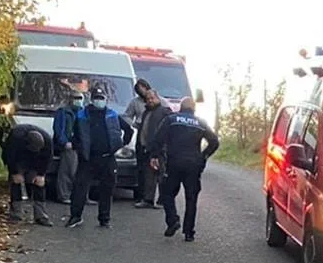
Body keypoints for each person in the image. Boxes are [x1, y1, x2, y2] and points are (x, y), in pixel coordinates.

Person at [149, 96, 219, 241]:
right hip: (193, 165)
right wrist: (203, 156)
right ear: (194, 109)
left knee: (167, 193)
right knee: (191, 198)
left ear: (181, 107)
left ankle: (173, 220)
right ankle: (189, 232)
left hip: (174, 163)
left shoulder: (171, 120)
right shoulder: (200, 123)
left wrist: (154, 156)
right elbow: (214, 142)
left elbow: (158, 138)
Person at [67, 88, 134, 228]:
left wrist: (121, 144)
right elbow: (74, 134)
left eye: (101, 98)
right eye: (97, 98)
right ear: (91, 99)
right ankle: (75, 216)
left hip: (107, 158)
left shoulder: (112, 115)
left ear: (106, 100)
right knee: (79, 188)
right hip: (87, 158)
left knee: (107, 190)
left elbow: (128, 130)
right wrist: (79, 147)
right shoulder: (82, 115)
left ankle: (104, 219)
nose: (99, 101)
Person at [126, 80, 171, 209]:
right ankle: (148, 200)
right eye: (148, 99)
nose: (150, 100)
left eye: (152, 98)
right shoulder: (146, 112)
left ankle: (162, 201)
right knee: (148, 176)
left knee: (161, 175)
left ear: (157, 98)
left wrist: (162, 148)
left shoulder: (164, 112)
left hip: (160, 150)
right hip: (146, 148)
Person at [4, 122, 53, 226]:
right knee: (16, 183)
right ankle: (16, 214)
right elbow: (9, 156)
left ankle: (41, 216)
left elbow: (47, 159)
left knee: (39, 185)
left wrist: (41, 174)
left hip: (37, 161)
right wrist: (14, 172)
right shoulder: (16, 138)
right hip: (18, 159)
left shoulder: (47, 141)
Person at [52, 91, 85, 204]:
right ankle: (64, 195)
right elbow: (58, 129)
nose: (78, 100)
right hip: (68, 145)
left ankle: (81, 196)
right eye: (76, 98)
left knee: (83, 171)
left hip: (81, 145)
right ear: (70, 99)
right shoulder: (63, 112)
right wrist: (64, 142)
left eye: (80, 98)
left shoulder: (83, 112)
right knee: (68, 170)